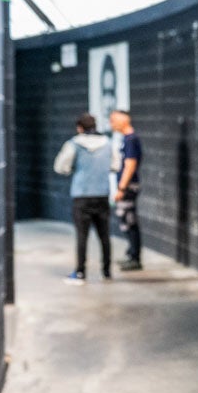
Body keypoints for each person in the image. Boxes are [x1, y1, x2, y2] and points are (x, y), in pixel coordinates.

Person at [53, 113, 112, 284]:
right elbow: (115, 165)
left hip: (82, 195)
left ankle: (80, 272)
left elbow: (60, 166)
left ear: (79, 127)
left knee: (82, 235)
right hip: (102, 193)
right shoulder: (107, 143)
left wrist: (75, 170)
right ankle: (106, 271)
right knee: (104, 235)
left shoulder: (73, 144)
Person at [109, 109, 143, 271]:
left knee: (129, 220)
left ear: (123, 120)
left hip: (128, 187)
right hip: (127, 186)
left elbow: (130, 165)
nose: (112, 124)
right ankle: (131, 253)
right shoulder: (127, 139)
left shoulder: (130, 140)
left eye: (114, 120)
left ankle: (135, 257)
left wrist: (122, 187)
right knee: (126, 221)